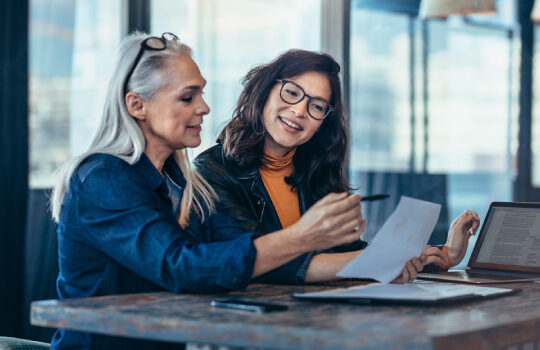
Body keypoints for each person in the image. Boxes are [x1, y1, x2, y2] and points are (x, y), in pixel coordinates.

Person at [49, 33, 423, 350]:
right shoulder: (102, 179)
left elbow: (256, 256)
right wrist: (304, 235)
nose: (205, 108)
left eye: (202, 95)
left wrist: (385, 264)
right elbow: (182, 267)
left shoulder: (184, 184)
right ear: (137, 105)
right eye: (187, 97)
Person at [194, 49, 481, 281]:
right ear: (265, 91)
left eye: (317, 106)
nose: (299, 111)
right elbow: (259, 261)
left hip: (320, 321)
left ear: (322, 123)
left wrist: (445, 254)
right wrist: (379, 262)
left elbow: (349, 255)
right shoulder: (212, 172)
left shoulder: (315, 173)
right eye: (292, 92)